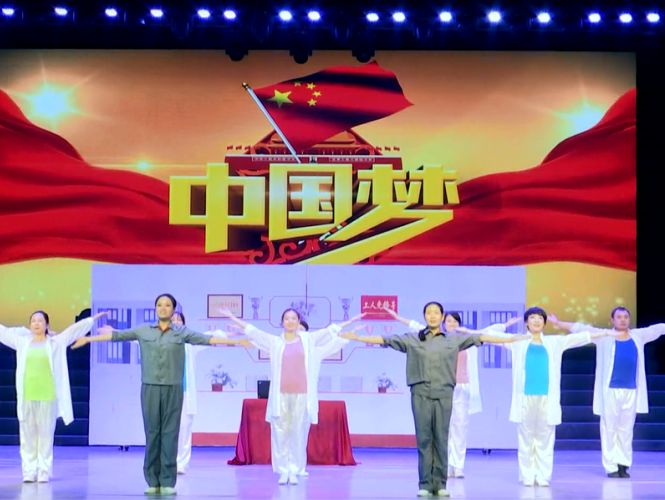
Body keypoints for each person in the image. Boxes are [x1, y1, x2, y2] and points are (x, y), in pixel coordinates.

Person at [342, 301, 528, 497]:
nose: (432, 316)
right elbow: (386, 339)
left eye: (436, 312)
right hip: (420, 393)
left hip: (444, 393)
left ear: (441, 316)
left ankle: (440, 484)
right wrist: (358, 337)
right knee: (424, 439)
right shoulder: (413, 339)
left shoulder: (453, 340)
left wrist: (510, 339)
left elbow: (480, 337)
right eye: (429, 312)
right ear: (424, 316)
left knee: (441, 438)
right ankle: (424, 483)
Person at [72, 294, 249, 496]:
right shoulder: (144, 331)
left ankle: (167, 481)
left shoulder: (181, 333)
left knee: (170, 435)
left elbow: (207, 339)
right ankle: (152, 480)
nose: (163, 308)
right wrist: (89, 338)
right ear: (155, 308)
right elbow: (119, 336)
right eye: (159, 305)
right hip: (150, 388)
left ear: (173, 310)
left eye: (167, 305)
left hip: (173, 389)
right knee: (152, 434)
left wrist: (238, 342)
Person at [463, 307, 618, 487]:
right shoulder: (517, 341)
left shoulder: (554, 342)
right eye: (532, 317)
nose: (536, 321)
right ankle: (528, 476)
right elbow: (489, 335)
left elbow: (581, 337)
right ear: (526, 322)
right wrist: (496, 327)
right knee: (526, 439)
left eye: (540, 318)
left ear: (544, 323)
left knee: (545, 439)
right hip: (525, 399)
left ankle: (543, 476)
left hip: (547, 399)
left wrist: (606, 333)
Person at [221, 308, 361, 486]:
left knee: (297, 434)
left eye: (294, 318)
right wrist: (233, 317)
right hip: (280, 396)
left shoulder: (308, 340)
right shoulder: (275, 342)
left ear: (298, 321)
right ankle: (283, 471)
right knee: (280, 434)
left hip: (302, 395)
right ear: (282, 322)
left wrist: (350, 322)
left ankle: (294, 470)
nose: (290, 321)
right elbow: (254, 332)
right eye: (287, 318)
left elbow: (329, 331)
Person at [550, 307, 665, 478]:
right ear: (612, 320)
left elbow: (658, 328)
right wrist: (559, 323)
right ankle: (611, 466)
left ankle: (623, 463)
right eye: (619, 317)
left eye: (626, 317)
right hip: (610, 391)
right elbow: (581, 329)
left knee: (626, 429)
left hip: (631, 390)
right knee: (609, 428)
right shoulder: (604, 336)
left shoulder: (638, 336)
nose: (623, 320)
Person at [0, 310, 105, 483]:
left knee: (45, 436)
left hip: (48, 396)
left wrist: (91, 320)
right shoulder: (22, 342)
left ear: (47, 325)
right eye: (33, 320)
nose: (36, 323)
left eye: (40, 320)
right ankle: (29, 471)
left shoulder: (55, 343)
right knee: (27, 437)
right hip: (27, 396)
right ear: (30, 325)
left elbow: (73, 331)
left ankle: (43, 470)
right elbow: (3, 333)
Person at [171, 310, 235, 475]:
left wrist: (225, 335)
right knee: (168, 430)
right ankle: (168, 462)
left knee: (184, 428)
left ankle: (181, 464)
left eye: (179, 319)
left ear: (184, 324)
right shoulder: (160, 341)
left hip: (185, 393)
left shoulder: (190, 344)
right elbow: (139, 339)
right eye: (173, 319)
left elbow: (208, 337)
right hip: (167, 393)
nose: (176, 322)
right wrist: (114, 332)